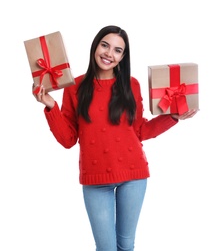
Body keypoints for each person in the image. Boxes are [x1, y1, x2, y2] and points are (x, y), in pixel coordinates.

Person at [33, 25, 198, 251]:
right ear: (95, 46)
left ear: (123, 57)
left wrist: (173, 118)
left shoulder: (132, 85)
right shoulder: (75, 88)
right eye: (105, 45)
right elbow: (68, 140)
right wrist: (51, 107)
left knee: (126, 245)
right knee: (106, 248)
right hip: (95, 180)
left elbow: (141, 131)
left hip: (134, 176)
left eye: (118, 50)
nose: (109, 54)